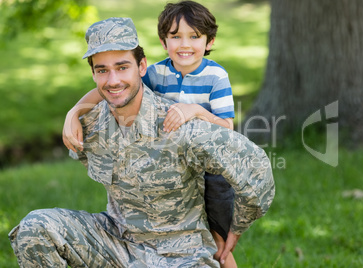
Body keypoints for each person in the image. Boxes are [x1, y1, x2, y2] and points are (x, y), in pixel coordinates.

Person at [8, 17, 274, 267]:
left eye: (122, 67)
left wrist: (234, 229)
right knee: (35, 228)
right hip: (117, 243)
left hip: (181, 254)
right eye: (102, 70)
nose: (113, 81)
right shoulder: (90, 125)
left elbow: (256, 166)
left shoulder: (178, 123)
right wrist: (74, 112)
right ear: (94, 75)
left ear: (142, 67)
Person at [63, 1, 237, 266]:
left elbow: (228, 129)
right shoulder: (156, 72)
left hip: (209, 167)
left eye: (194, 37)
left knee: (217, 243)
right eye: (175, 36)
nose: (184, 44)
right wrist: (74, 112)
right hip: (173, 162)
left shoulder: (216, 76)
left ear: (209, 41)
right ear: (163, 41)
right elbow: (110, 90)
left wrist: (195, 111)